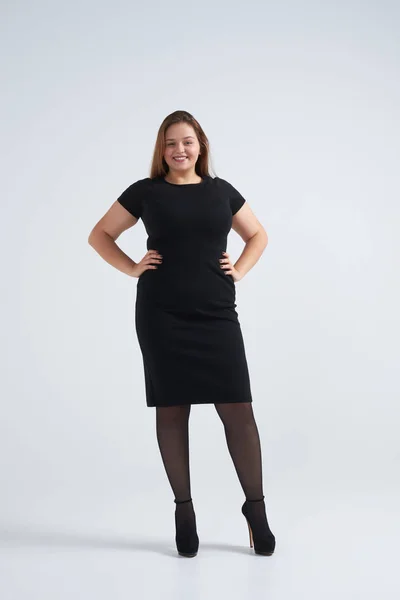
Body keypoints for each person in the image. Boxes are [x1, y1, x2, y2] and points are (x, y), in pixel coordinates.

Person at [88, 110, 276, 558]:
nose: (180, 150)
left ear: (201, 145)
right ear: (162, 149)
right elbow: (100, 235)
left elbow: (258, 236)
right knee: (172, 413)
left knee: (239, 412)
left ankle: (256, 510)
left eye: (187, 142)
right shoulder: (145, 192)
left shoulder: (221, 192)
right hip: (161, 316)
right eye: (171, 143)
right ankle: (184, 511)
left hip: (216, 315)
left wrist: (240, 271)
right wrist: (133, 267)